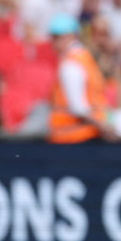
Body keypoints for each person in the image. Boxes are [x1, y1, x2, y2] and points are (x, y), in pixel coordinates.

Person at [46, 13, 115, 144]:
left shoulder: (70, 64)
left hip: (73, 137)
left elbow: (77, 107)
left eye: (57, 37)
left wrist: (104, 127)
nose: (53, 43)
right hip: (87, 134)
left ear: (70, 36)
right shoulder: (86, 59)